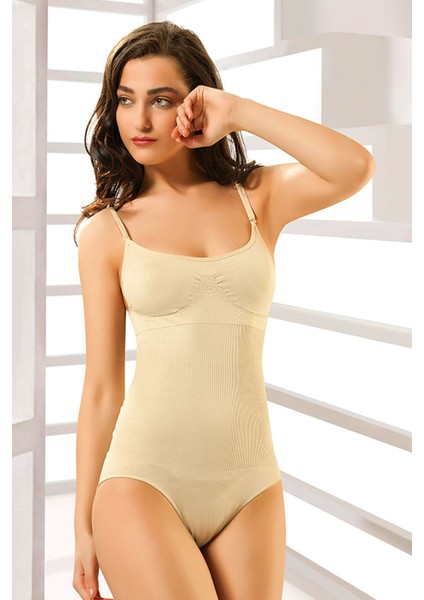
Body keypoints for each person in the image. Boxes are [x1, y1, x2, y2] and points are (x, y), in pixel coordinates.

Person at [72, 20, 375, 600]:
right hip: (142, 481)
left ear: (196, 104)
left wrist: (239, 111)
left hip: (251, 484)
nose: (140, 120)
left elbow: (354, 166)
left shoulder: (258, 196)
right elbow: (102, 388)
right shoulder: (108, 233)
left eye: (161, 100)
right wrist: (83, 523)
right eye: (126, 100)